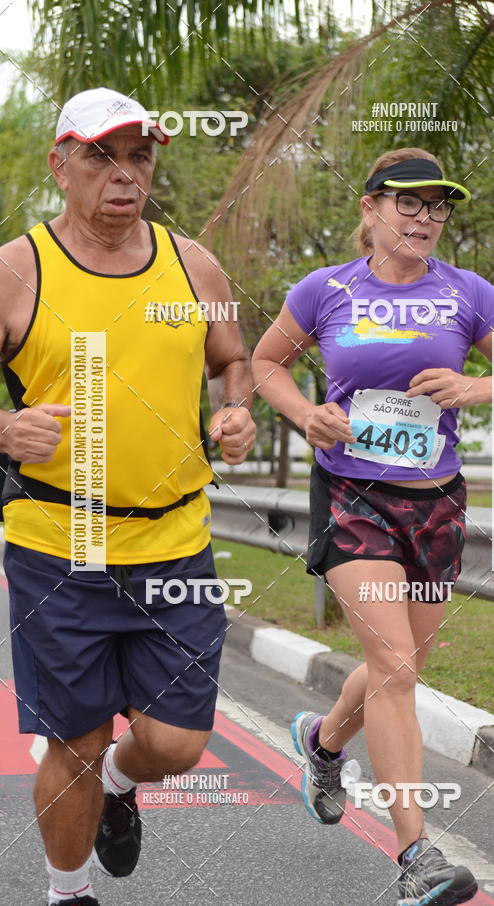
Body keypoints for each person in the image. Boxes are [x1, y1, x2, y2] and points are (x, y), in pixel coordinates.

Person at [252, 147, 494, 905]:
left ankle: (323, 743)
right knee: (396, 669)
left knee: (403, 661)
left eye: (438, 207)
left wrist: (476, 384)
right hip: (355, 496)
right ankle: (416, 854)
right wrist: (305, 414)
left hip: (437, 499)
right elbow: (266, 363)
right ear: (371, 208)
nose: (425, 219)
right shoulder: (326, 290)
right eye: (409, 204)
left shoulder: (469, 294)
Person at [0, 87, 255, 906]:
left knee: (177, 744)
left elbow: (233, 359)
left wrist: (238, 407)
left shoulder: (194, 264)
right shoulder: (17, 270)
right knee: (70, 745)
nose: (124, 173)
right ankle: (67, 893)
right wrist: (6, 432)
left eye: (139, 156)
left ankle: (121, 779)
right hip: (57, 546)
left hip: (176, 543)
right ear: (61, 164)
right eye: (101, 155)